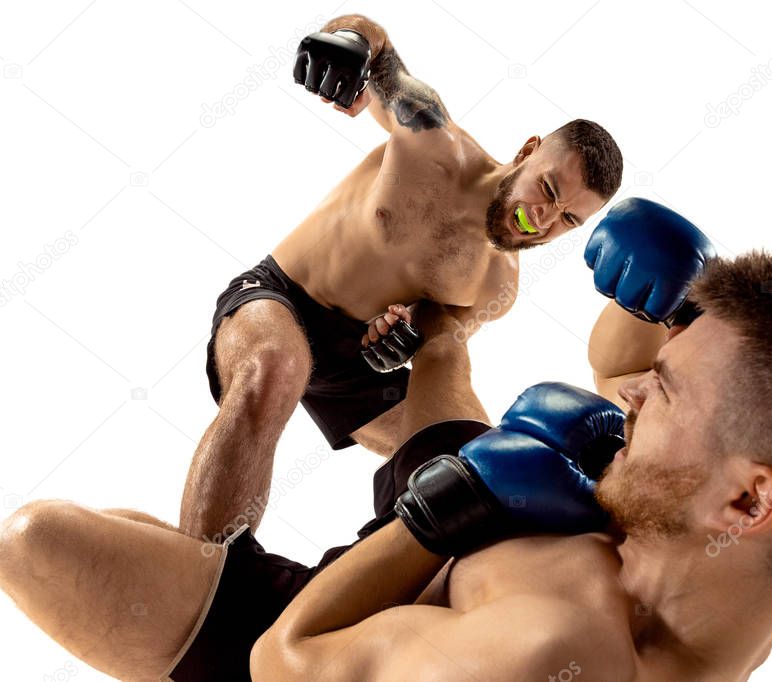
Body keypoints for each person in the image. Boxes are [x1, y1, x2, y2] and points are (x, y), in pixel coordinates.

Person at [0, 201, 772, 681]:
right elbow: (624, 363)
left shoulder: (552, 650)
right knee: (445, 363)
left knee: (33, 543)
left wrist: (437, 511)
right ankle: (424, 351)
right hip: (484, 524)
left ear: (747, 499)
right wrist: (690, 298)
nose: (631, 396)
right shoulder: (718, 541)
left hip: (348, 612)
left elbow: (285, 662)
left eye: (662, 394)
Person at [184, 12, 623, 544]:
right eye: (548, 191)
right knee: (274, 367)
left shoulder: (497, 286)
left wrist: (407, 335)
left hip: (356, 368)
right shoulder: (434, 144)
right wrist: (347, 45)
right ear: (527, 152)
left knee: (474, 469)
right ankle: (200, 574)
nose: (545, 221)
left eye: (568, 220)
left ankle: (398, 597)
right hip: (281, 299)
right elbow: (378, 49)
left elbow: (436, 338)